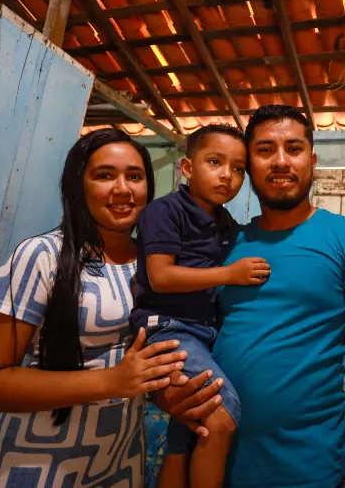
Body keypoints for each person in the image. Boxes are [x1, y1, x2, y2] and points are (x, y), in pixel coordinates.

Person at [157, 105, 345, 488]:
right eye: (266, 150)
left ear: (312, 160)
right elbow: (180, 333)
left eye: (294, 148)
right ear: (248, 165)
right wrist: (164, 398)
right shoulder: (222, 246)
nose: (281, 161)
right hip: (210, 467)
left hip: (308, 474)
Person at [0, 128, 187, 487]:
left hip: (122, 464)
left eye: (135, 176)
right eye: (105, 175)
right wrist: (110, 381)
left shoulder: (155, 263)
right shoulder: (42, 256)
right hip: (38, 469)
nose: (123, 189)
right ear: (77, 186)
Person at [129, 124, 270, 488]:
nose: (227, 175)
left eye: (238, 169)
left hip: (204, 331)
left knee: (186, 434)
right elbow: (161, 276)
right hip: (168, 327)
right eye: (214, 162)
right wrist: (230, 274)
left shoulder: (226, 224)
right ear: (187, 168)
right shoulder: (164, 211)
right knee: (221, 415)